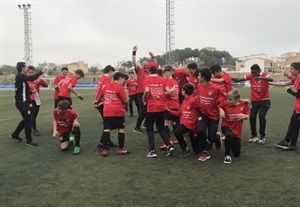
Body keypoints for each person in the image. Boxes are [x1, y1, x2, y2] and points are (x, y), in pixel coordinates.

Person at [232, 64, 273, 144]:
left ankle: (262, 136)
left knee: (261, 116)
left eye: (255, 72)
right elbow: (238, 80)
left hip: (265, 100)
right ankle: (254, 136)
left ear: (259, 71)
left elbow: (271, 79)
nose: (253, 74)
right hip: (255, 100)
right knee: (252, 117)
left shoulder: (264, 74)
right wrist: (227, 77)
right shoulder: (250, 76)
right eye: (252, 72)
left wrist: (260, 77)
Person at [10, 62, 46, 146]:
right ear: (22, 68)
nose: (27, 69)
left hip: (25, 101)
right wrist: (41, 72)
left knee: (28, 118)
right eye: (26, 67)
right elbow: (32, 78)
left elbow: (22, 90)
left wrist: (30, 93)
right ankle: (28, 141)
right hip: (21, 103)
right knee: (28, 120)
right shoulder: (20, 76)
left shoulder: (22, 78)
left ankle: (15, 134)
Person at [142, 65, 174, 158]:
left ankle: (152, 150)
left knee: (149, 128)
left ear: (148, 70)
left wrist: (144, 98)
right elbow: (168, 91)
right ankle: (168, 146)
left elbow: (147, 90)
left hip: (152, 107)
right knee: (161, 127)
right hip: (161, 107)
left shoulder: (146, 79)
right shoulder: (162, 79)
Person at [196, 68, 226, 161]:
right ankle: (205, 152)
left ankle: (216, 137)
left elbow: (226, 97)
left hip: (213, 115)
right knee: (200, 131)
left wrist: (240, 101)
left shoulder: (216, 88)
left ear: (203, 77)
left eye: (199, 75)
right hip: (202, 113)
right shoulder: (199, 85)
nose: (198, 77)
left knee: (211, 138)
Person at [99, 72, 130, 157]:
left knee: (107, 129)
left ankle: (104, 150)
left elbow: (100, 95)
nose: (124, 81)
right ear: (120, 78)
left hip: (107, 111)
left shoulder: (107, 86)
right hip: (117, 111)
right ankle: (121, 149)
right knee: (121, 128)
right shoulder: (120, 87)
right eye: (123, 79)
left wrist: (96, 102)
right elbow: (125, 101)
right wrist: (126, 107)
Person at [270, 63, 300, 151]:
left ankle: (292, 145)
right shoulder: (296, 79)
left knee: (294, 126)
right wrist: (270, 83)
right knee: (292, 125)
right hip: (297, 108)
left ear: (297, 70)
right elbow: (283, 83)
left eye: (291, 70)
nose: (290, 71)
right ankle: (287, 142)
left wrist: (289, 91)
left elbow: (299, 94)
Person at [167, 83, 200, 157]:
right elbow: (179, 113)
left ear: (184, 91)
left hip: (192, 125)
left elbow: (201, 108)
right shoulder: (184, 101)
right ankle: (185, 149)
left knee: (197, 150)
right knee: (177, 132)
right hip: (185, 124)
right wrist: (169, 110)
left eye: (182, 90)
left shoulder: (193, 100)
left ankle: (209, 140)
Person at [219, 89, 250, 164]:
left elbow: (247, 116)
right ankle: (227, 155)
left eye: (230, 100)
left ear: (237, 99)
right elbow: (219, 106)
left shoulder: (244, 104)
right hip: (226, 125)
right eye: (228, 99)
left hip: (237, 130)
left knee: (236, 154)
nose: (228, 101)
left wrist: (244, 116)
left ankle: (223, 140)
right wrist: (221, 110)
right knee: (229, 135)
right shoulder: (225, 103)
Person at [132, 45, 157, 133]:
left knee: (149, 110)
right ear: (142, 66)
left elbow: (155, 65)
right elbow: (134, 63)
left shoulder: (150, 72)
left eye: (147, 65)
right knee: (143, 111)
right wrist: (134, 52)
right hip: (141, 93)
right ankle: (137, 127)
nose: (146, 66)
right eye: (144, 65)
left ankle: (146, 124)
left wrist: (153, 57)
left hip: (149, 93)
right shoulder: (139, 71)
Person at [94, 65, 118, 149]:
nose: (113, 74)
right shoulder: (107, 79)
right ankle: (101, 143)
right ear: (110, 71)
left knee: (108, 123)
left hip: (100, 102)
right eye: (113, 72)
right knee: (108, 124)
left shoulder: (102, 79)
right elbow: (104, 91)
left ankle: (107, 141)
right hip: (103, 103)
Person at [159, 68, 180, 150]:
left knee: (165, 123)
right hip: (176, 104)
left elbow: (169, 92)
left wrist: (161, 93)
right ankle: (179, 138)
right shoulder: (175, 81)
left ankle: (168, 141)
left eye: (163, 75)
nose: (163, 77)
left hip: (169, 106)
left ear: (167, 75)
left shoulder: (167, 82)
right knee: (173, 122)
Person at [27, 66, 48, 136]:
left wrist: (40, 81)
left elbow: (46, 85)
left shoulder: (37, 79)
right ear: (27, 72)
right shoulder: (26, 80)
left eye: (32, 72)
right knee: (32, 115)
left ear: (34, 72)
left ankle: (30, 127)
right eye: (29, 72)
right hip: (30, 100)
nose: (31, 73)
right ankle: (34, 129)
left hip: (37, 99)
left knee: (35, 115)